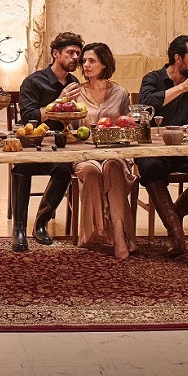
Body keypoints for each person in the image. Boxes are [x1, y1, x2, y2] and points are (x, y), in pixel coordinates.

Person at [137, 35, 188, 258]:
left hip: (185, 148)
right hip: (154, 148)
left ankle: (174, 215)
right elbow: (146, 105)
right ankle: (176, 233)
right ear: (178, 58)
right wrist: (183, 88)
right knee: (150, 166)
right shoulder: (153, 78)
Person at [11, 31, 84, 252]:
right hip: (33, 143)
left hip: (60, 146)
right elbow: (28, 117)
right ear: (55, 54)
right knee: (22, 168)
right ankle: (19, 229)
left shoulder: (74, 82)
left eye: (78, 53)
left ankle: (40, 223)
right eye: (70, 52)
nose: (75, 57)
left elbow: (74, 116)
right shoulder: (34, 81)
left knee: (63, 169)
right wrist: (59, 101)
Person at [72, 42, 137, 260]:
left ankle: (119, 234)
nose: (86, 65)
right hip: (86, 153)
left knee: (112, 167)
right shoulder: (77, 92)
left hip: (115, 151)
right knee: (91, 171)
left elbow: (130, 127)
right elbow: (70, 129)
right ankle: (96, 233)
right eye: (84, 61)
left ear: (104, 64)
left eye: (92, 61)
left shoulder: (120, 93)